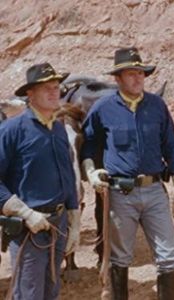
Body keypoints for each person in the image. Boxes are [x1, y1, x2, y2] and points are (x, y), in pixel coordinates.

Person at [80, 46, 174, 300]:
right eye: (130, 74)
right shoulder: (103, 108)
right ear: (118, 79)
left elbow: (173, 147)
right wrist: (91, 171)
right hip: (120, 194)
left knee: (168, 257)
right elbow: (87, 144)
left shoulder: (157, 106)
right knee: (120, 258)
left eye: (140, 73)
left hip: (154, 192)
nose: (137, 78)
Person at [0, 63, 80, 300]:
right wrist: (24, 213)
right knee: (29, 293)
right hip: (29, 228)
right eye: (47, 88)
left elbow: (68, 175)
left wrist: (74, 219)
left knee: (51, 291)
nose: (54, 92)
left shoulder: (58, 128)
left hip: (58, 223)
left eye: (56, 87)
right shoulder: (12, 130)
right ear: (30, 94)